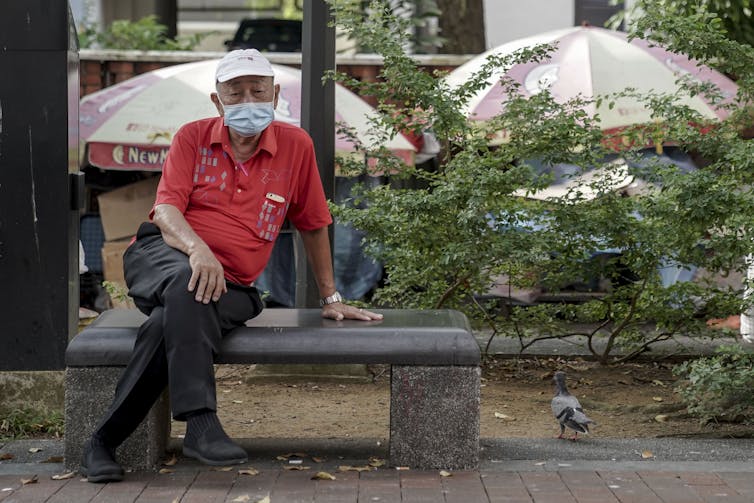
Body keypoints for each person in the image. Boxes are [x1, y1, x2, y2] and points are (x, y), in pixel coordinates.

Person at [81, 49, 383, 483]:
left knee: (167, 322)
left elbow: (313, 224)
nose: (247, 100)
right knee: (189, 281)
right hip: (162, 256)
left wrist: (331, 297)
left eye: (257, 90)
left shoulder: (296, 147)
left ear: (275, 94)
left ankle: (102, 442)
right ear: (217, 101)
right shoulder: (193, 136)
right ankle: (201, 421)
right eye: (234, 92)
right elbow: (165, 211)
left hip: (234, 285)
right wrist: (198, 250)